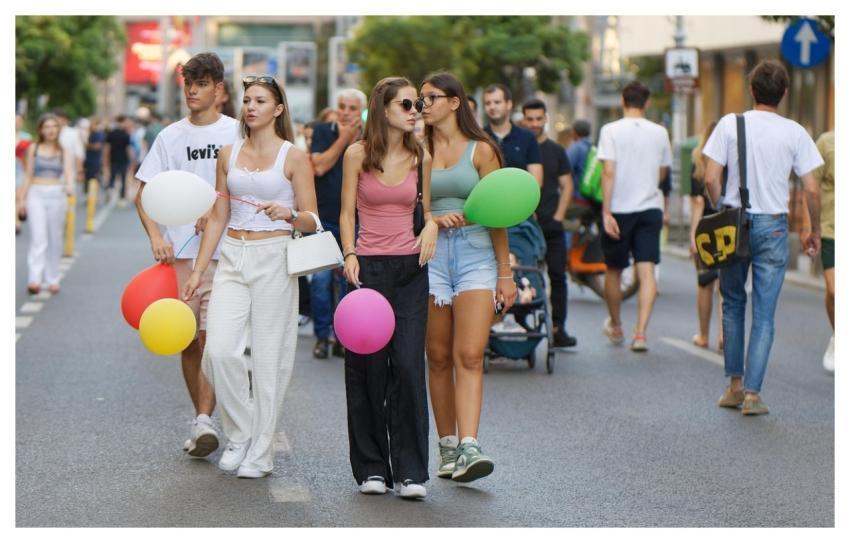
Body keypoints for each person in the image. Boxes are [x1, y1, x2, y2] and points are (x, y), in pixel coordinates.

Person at [182, 74, 318, 478]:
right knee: (218, 351)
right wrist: (198, 269)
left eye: (260, 100)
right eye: (246, 100)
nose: (251, 106)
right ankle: (239, 432)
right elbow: (218, 215)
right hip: (233, 255)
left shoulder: (293, 156)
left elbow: (312, 220)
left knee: (268, 358)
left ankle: (261, 451)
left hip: (274, 256)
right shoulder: (227, 152)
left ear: (278, 109)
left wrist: (290, 214)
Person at [135, 52, 240, 459]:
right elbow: (143, 192)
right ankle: (203, 421)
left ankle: (205, 419)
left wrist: (217, 212)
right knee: (188, 339)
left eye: (201, 84)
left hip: (227, 251)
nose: (192, 91)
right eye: (188, 84)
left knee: (216, 340)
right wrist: (156, 235)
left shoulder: (238, 133)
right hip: (181, 254)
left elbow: (249, 187)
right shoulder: (170, 137)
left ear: (219, 89)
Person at [703, 59, 822, 416]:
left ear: (752, 90)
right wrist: (812, 228)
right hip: (772, 225)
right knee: (765, 314)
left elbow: (710, 176)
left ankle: (734, 387)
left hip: (734, 222)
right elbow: (812, 189)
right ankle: (754, 395)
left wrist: (719, 205)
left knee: (734, 303)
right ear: (784, 93)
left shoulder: (729, 124)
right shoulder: (795, 132)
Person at [340, 76, 437, 499]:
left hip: (411, 268)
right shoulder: (357, 154)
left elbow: (428, 210)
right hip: (368, 271)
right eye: (406, 104)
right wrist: (349, 254)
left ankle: (412, 471)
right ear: (384, 109)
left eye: (417, 104)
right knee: (368, 370)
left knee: (410, 367)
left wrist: (432, 225)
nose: (414, 110)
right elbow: (346, 214)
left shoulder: (422, 156)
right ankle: (372, 469)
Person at [420, 72, 516, 484]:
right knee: (438, 356)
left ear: (455, 102)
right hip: (431, 254)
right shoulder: (414, 147)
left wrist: (505, 272)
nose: (423, 104)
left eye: (431, 97)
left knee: (470, 354)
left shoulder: (482, 150)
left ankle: (470, 444)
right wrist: (434, 219)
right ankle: (446, 446)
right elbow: (405, 204)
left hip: (477, 255)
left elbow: (498, 212)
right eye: (420, 98)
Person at [598, 80, 672, 352]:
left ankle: (616, 325)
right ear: (647, 103)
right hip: (650, 207)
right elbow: (663, 173)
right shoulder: (660, 132)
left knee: (614, 269)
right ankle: (640, 333)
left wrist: (606, 210)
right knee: (647, 269)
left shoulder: (610, 130)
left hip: (619, 208)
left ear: (622, 101)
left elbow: (608, 172)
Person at [310, 88, 367, 359]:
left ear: (362, 112)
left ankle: (344, 336)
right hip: (323, 221)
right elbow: (318, 166)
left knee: (350, 280)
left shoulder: (370, 138)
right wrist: (343, 139)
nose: (345, 112)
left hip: (357, 223)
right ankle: (322, 336)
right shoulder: (323, 131)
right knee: (320, 281)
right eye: (342, 106)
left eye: (352, 108)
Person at [520, 98, 577, 347]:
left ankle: (558, 327)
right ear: (523, 119)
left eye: (538, 119)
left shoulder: (556, 150)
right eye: (529, 119)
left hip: (551, 223)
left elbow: (567, 186)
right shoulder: (518, 148)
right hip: (523, 226)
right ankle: (520, 324)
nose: (534, 124)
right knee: (520, 275)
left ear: (545, 119)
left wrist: (559, 216)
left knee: (558, 274)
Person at [16, 114, 75, 295]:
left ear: (58, 130)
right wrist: (21, 200)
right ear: (41, 130)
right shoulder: (33, 149)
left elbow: (68, 173)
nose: (50, 130)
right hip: (36, 193)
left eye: (54, 126)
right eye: (47, 127)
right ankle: (35, 279)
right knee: (38, 237)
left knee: (55, 238)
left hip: (57, 194)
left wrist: (70, 186)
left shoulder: (64, 150)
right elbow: (28, 175)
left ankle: (52, 279)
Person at [688, 120, 723, 351]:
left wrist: (693, 236)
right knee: (726, 284)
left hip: (706, 231)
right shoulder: (730, 161)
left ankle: (703, 335)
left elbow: (697, 205)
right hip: (728, 227)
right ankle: (724, 335)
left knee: (705, 284)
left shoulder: (700, 165)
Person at [482, 83, 543, 186]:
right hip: (488, 200)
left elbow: (536, 182)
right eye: (488, 103)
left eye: (497, 102)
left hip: (520, 200)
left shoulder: (527, 138)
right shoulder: (479, 138)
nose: (492, 107)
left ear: (509, 104)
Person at [812, 130, 834, 373]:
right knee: (834, 290)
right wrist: (811, 226)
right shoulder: (826, 142)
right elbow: (812, 185)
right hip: (832, 229)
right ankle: (838, 335)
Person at [104, 115, 134, 205]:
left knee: (112, 177)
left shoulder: (111, 133)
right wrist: (131, 159)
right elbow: (128, 148)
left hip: (113, 158)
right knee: (123, 178)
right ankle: (122, 197)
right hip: (123, 159)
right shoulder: (126, 134)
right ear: (123, 122)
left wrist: (105, 159)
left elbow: (107, 148)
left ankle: (110, 193)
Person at [15, 113, 32, 235]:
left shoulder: (26, 137)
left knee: (18, 195)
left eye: (19, 121)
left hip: (21, 169)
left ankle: (16, 222)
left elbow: (29, 157)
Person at [83, 117, 107, 192]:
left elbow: (98, 146)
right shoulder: (91, 133)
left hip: (94, 160)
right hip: (89, 159)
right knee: (88, 177)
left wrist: (87, 145)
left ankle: (92, 194)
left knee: (93, 178)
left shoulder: (99, 134)